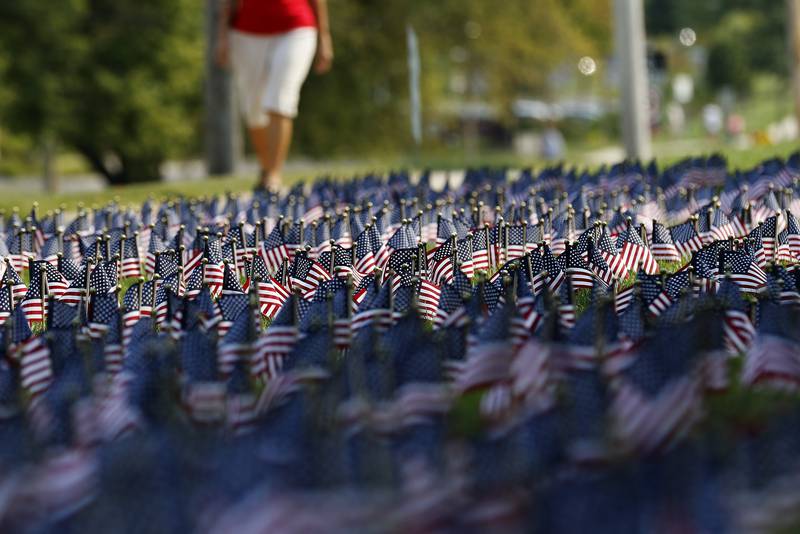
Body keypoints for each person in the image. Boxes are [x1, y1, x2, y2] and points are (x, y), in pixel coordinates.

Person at [216, 0, 333, 191]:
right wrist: (221, 37)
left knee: (280, 100)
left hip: (297, 27)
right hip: (246, 32)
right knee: (253, 110)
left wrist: (324, 37)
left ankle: (273, 175)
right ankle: (267, 167)